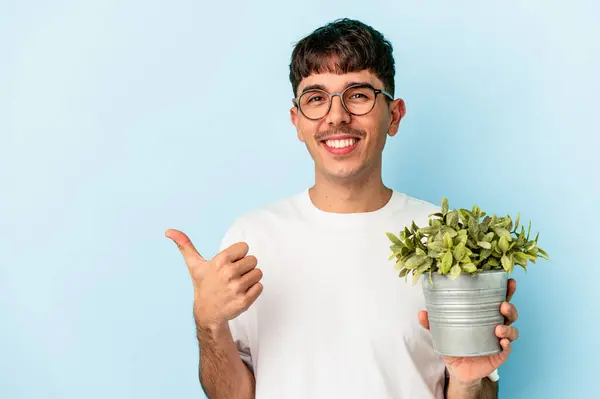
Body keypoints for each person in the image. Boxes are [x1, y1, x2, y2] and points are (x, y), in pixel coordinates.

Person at [165, 18, 519, 399]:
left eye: (358, 94)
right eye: (316, 98)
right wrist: (208, 325)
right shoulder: (251, 239)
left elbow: (471, 388)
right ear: (297, 121)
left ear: (394, 115)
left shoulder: (446, 240)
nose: (336, 117)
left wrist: (469, 380)